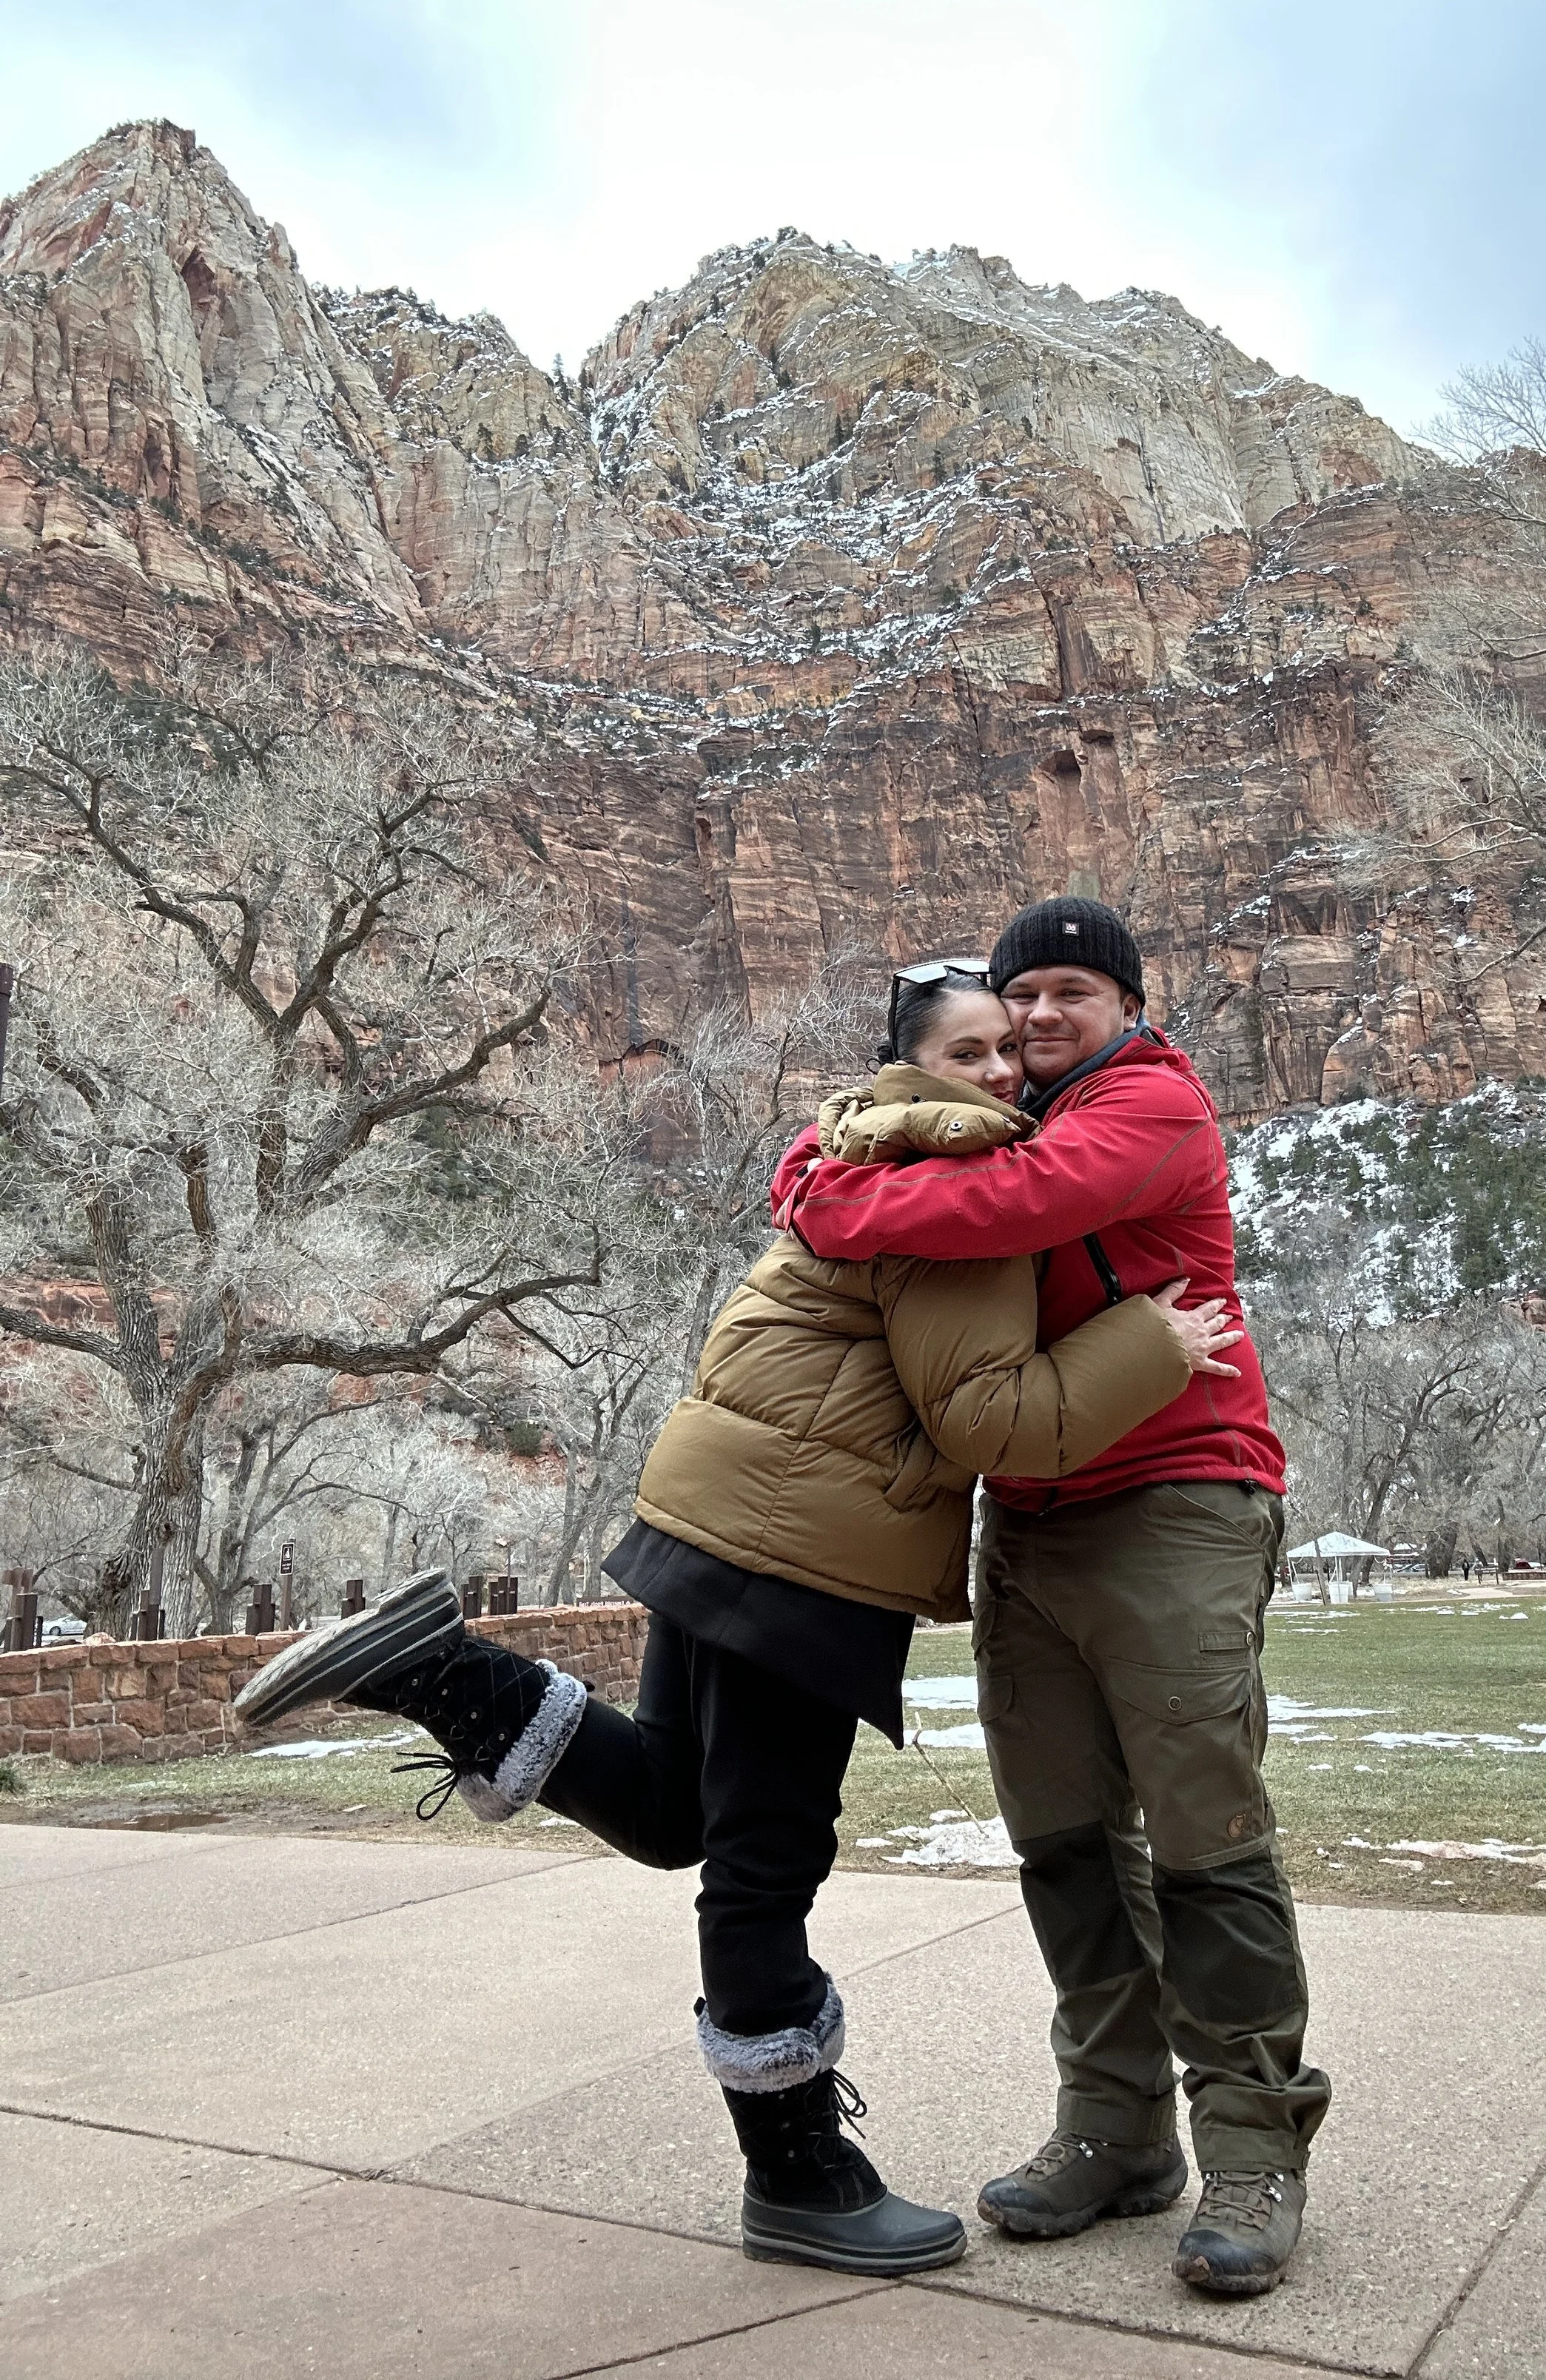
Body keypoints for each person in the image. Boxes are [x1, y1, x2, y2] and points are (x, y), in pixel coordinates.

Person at [235, 965, 1237, 2281]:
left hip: (716, 1518)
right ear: (914, 1066)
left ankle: (446, 1674)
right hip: (807, 1559)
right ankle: (799, 2179)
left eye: (1010, 1051)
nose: (1003, 1073)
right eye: (970, 1052)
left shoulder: (860, 1154)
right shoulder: (960, 1186)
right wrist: (1151, 1345)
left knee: (672, 1811)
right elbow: (989, 1421)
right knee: (761, 1870)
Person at [777, 895, 1331, 2299]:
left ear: (1130, 1005)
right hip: (1030, 1518)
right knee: (1065, 1842)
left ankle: (1255, 2147)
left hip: (1179, 1499)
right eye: (1021, 995)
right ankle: (1116, 2128)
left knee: (1205, 1838)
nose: (1037, 1016)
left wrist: (829, 1198)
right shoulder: (1014, 1110)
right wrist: (816, 1168)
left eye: (1072, 991)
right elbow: (864, 1132)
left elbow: (1006, 1208)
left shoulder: (1150, 1106)